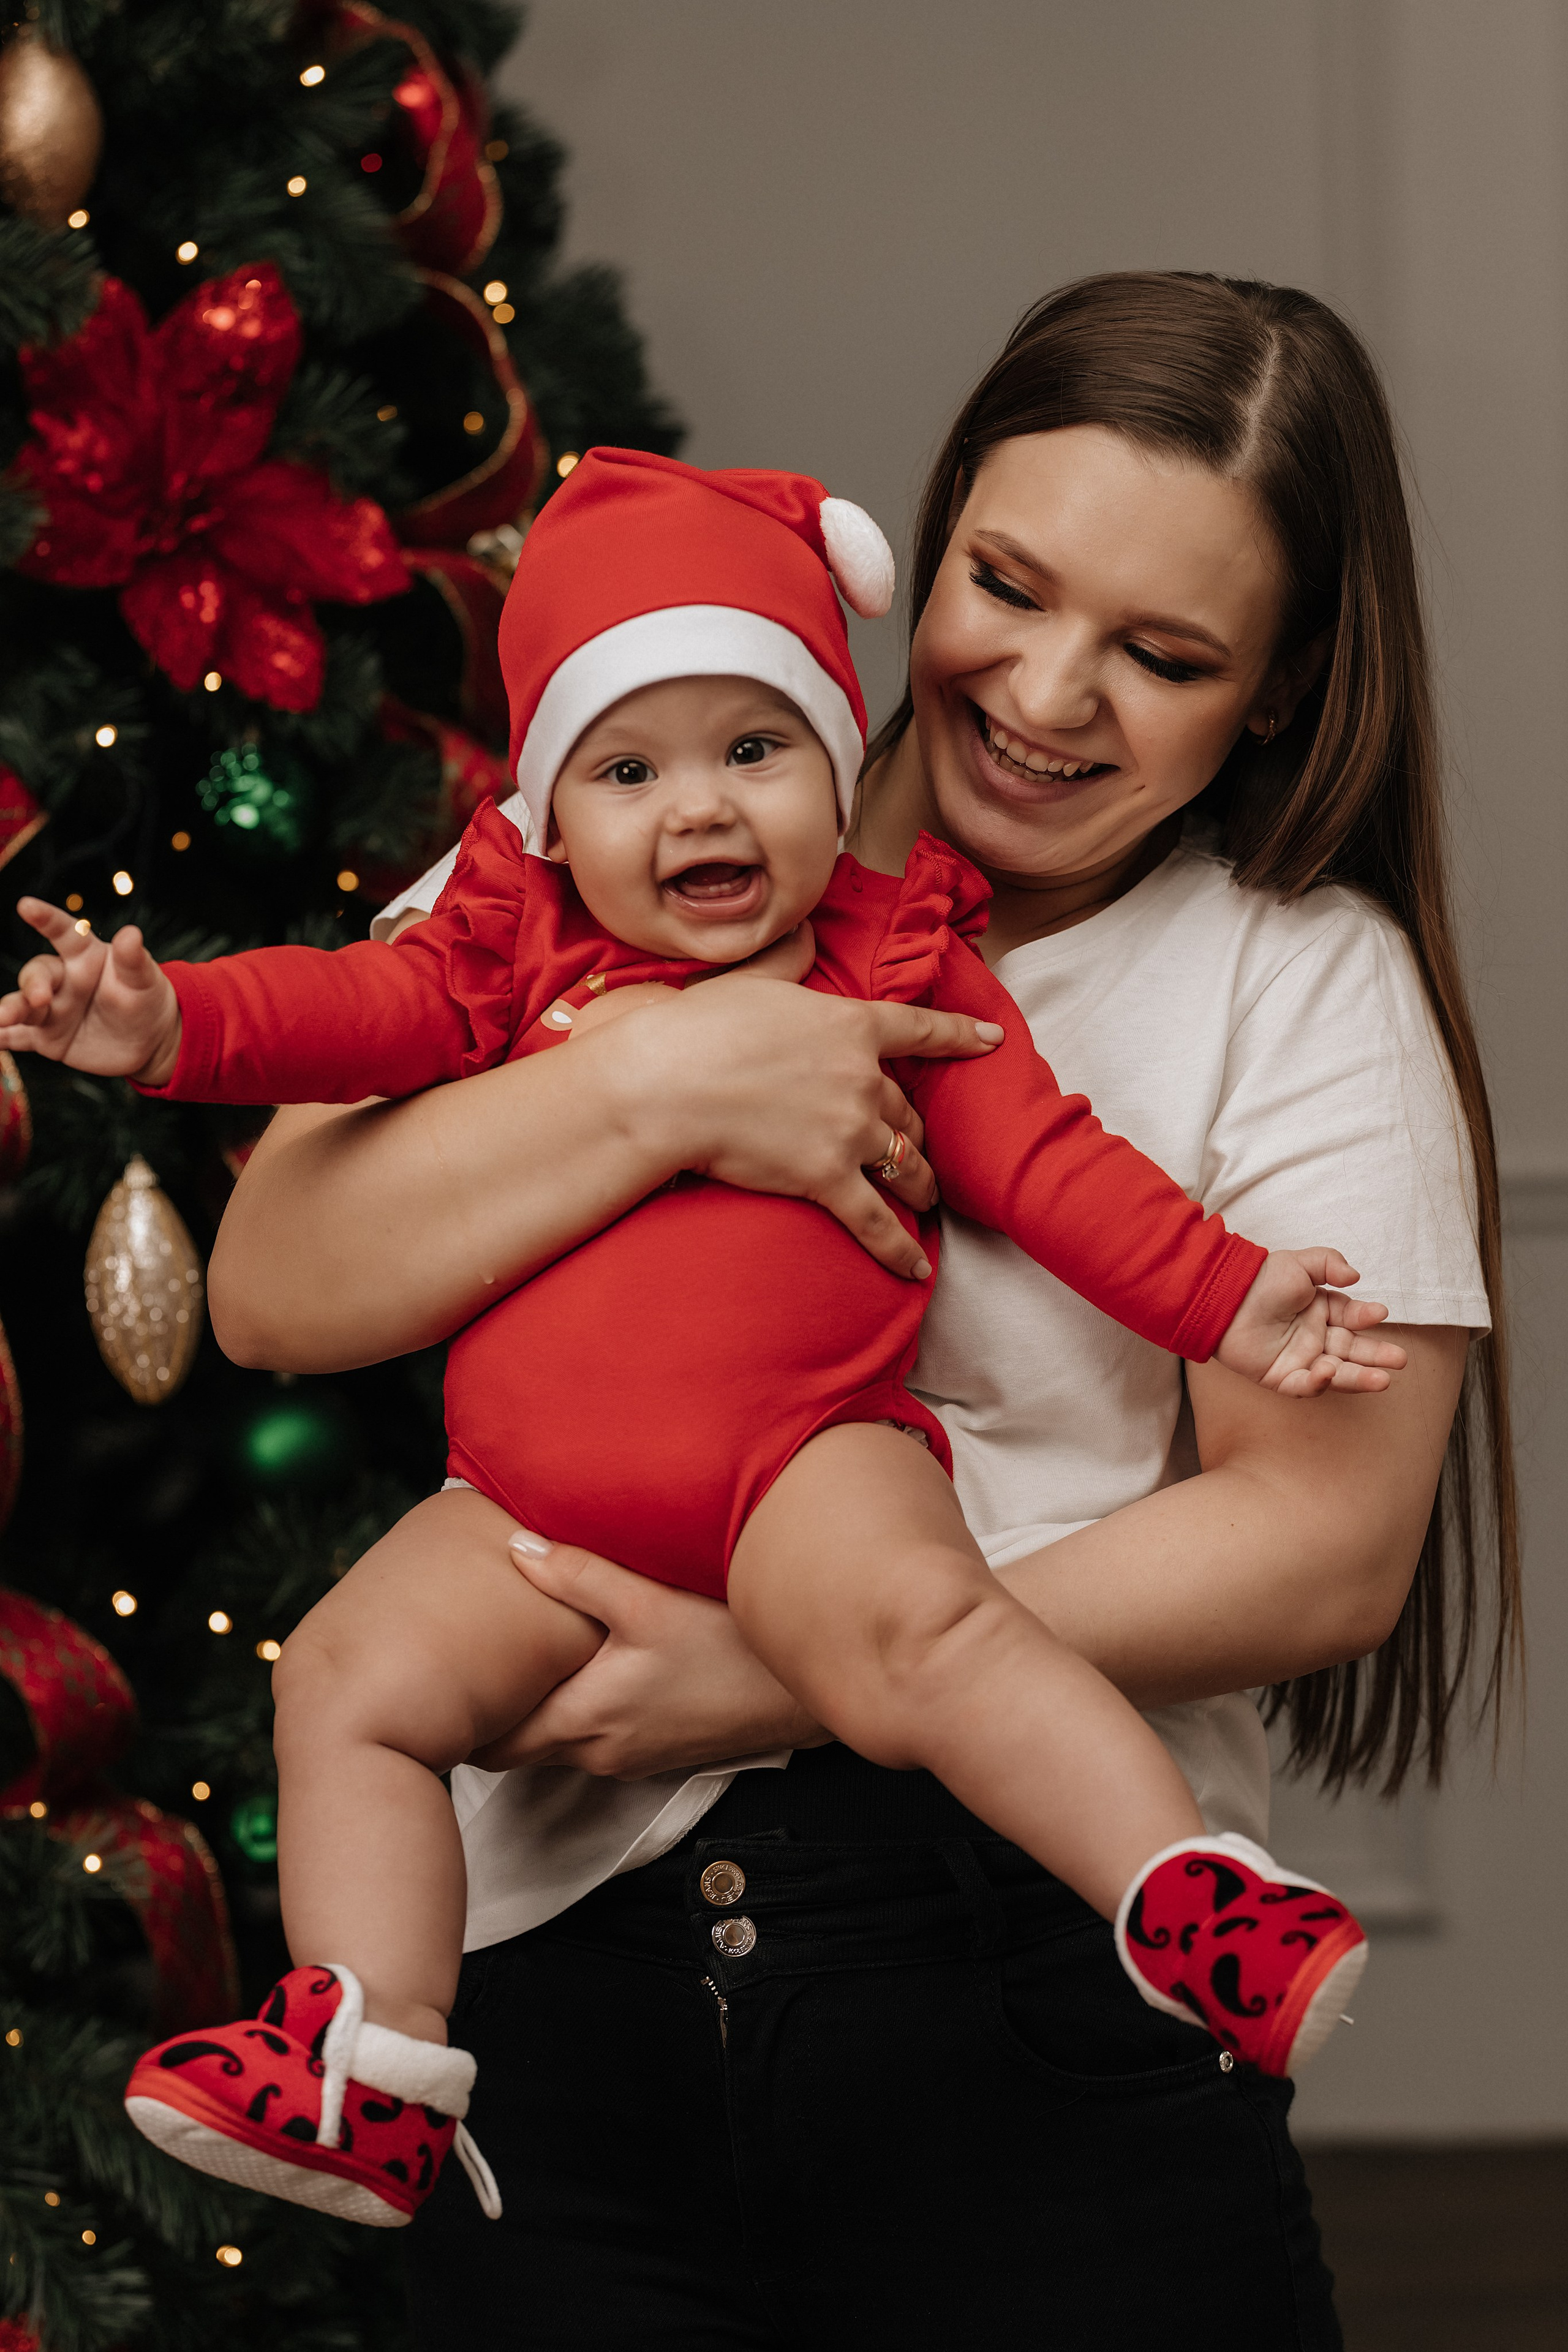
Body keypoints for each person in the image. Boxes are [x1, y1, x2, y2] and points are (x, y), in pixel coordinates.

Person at [175, 276, 1512, 2348]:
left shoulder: (1295, 978)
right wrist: (657, 1081)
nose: (1050, 694)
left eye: (1164, 657)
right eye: (1007, 583)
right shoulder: (593, 827)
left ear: (1271, 690)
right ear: (927, 534)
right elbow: (271, 1289)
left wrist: (779, 1672)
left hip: (1020, 1978)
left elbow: (1330, 1544)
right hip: (556, 1986)